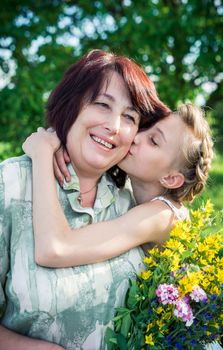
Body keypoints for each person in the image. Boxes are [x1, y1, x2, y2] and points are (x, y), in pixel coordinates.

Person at [0, 50, 170, 350]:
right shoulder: (11, 184)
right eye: (103, 105)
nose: (114, 126)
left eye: (129, 117)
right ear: (71, 106)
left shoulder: (130, 205)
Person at [23, 104, 222, 350]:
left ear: (170, 179)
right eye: (145, 129)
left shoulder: (162, 216)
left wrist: (42, 154)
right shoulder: (132, 194)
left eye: (154, 142)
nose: (136, 138)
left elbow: (54, 249)